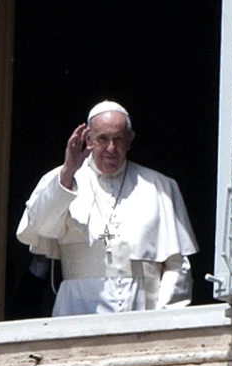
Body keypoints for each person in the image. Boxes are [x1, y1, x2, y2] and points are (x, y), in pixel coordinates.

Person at [16, 101, 198, 316]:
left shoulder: (161, 187)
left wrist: (163, 318)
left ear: (130, 140)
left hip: (143, 312)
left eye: (118, 139)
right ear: (88, 139)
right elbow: (42, 227)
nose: (111, 148)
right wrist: (67, 172)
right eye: (103, 138)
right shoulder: (59, 180)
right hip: (78, 311)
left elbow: (177, 265)